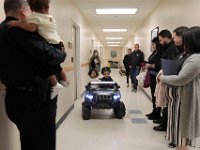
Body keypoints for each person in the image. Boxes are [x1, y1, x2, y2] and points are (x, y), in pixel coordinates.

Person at [0, 0, 66, 150]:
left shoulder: (2, 30)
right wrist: (62, 52)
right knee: (43, 144)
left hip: (13, 98)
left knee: (29, 142)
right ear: (23, 9)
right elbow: (50, 55)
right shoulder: (19, 29)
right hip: (34, 101)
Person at [8, 0, 68, 99]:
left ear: (31, 8)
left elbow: (32, 28)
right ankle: (64, 80)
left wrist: (17, 24)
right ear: (48, 8)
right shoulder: (50, 18)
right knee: (56, 65)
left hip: (50, 44)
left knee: (45, 65)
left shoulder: (34, 17)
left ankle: (55, 84)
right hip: (58, 43)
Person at [158, 26, 200, 150]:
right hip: (178, 100)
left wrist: (162, 77)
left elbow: (180, 79)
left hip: (186, 100)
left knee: (182, 135)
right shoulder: (188, 55)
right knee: (180, 137)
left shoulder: (196, 59)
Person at [165, 26, 189, 148]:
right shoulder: (182, 53)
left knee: (182, 131)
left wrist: (162, 77)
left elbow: (181, 77)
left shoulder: (192, 57)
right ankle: (176, 142)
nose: (173, 39)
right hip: (175, 96)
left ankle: (180, 144)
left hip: (183, 96)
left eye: (175, 37)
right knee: (176, 127)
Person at [153, 29, 179, 131]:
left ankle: (165, 125)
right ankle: (163, 122)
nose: (160, 43)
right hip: (165, 78)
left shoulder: (172, 49)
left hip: (168, 79)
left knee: (167, 104)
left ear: (165, 37)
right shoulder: (168, 48)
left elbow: (170, 65)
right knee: (165, 104)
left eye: (160, 40)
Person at [144, 37, 162, 121]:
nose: (152, 46)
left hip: (156, 77)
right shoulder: (155, 52)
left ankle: (157, 113)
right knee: (153, 95)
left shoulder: (160, 53)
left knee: (156, 95)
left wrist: (149, 65)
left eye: (153, 44)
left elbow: (158, 65)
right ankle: (154, 111)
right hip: (151, 76)